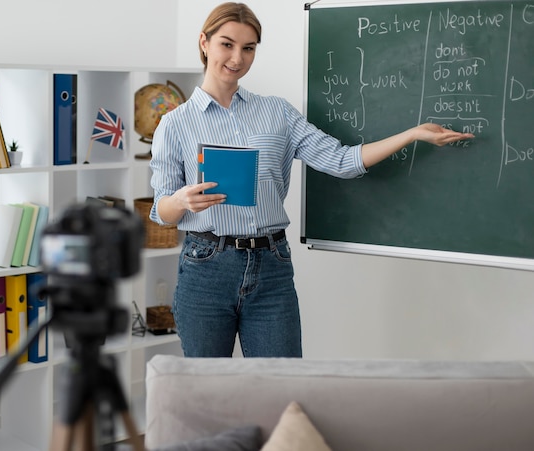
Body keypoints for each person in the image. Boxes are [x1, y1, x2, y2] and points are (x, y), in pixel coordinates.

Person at [148, 2, 474, 358]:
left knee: (283, 387)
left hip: (271, 266)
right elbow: (162, 211)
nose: (237, 58)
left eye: (248, 47)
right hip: (206, 267)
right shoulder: (175, 124)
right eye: (227, 44)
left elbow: (341, 160)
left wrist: (412, 134)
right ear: (204, 43)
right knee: (207, 393)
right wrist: (181, 201)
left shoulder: (277, 112)